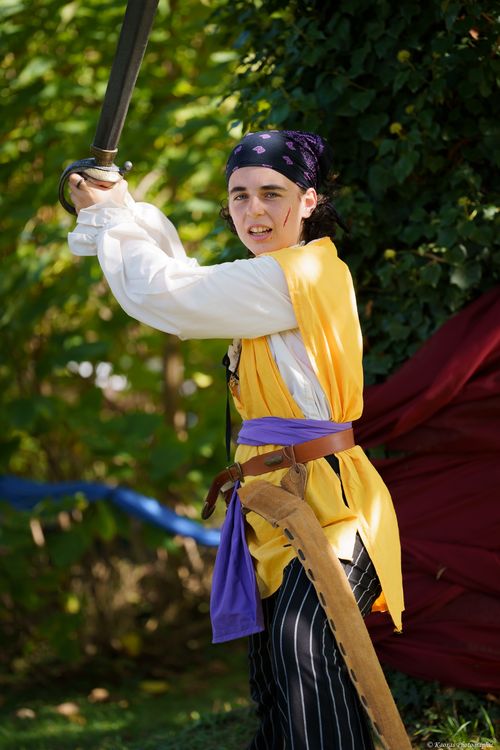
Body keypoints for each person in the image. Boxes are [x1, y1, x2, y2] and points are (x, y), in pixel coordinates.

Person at [68, 129, 404, 749]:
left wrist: (111, 214)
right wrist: (120, 205)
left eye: (272, 194)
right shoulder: (267, 278)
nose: (254, 210)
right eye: (240, 195)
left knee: (306, 649)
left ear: (308, 200)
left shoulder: (298, 274)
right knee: (279, 674)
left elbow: (171, 296)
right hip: (277, 503)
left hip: (330, 503)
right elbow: (187, 280)